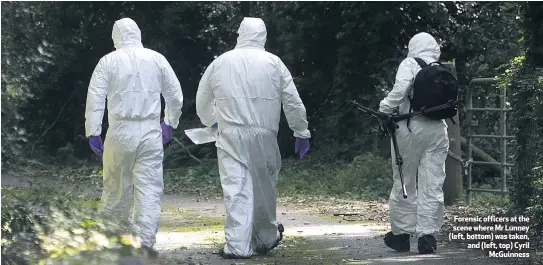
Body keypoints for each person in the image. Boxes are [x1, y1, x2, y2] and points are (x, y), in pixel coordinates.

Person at [195, 17, 311, 259]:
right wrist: (301, 132)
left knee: (236, 187)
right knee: (264, 187)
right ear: (264, 36)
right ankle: (266, 238)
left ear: (240, 34)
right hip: (265, 134)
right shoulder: (274, 63)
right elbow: (292, 101)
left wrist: (212, 121)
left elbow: (202, 100)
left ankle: (237, 245)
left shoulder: (221, 62)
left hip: (230, 134)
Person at [84, 17, 183, 255]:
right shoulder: (157, 59)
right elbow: (175, 96)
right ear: (138, 34)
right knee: (149, 190)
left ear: (116, 37)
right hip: (150, 131)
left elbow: (95, 98)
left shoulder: (108, 61)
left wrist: (93, 130)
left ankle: (111, 243)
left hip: (119, 131)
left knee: (116, 189)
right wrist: (169, 123)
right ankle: (144, 245)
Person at [378, 32, 449, 254]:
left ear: (413, 47)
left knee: (404, 180)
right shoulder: (442, 69)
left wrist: (384, 108)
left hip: (410, 128)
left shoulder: (410, 63)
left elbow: (400, 90)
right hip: (438, 130)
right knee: (433, 183)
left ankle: (401, 235)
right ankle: (428, 237)